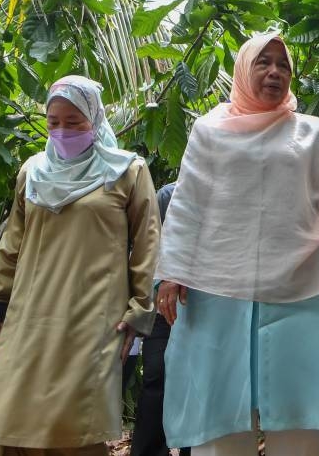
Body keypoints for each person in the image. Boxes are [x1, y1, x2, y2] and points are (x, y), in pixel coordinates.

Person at [154, 33, 319, 456]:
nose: (275, 71)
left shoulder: (312, 133)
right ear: (243, 70)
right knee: (218, 415)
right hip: (217, 290)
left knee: (298, 418)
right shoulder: (209, 131)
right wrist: (170, 273)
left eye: (283, 64)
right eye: (263, 62)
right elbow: (188, 205)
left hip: (299, 289)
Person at [0, 75, 162, 456]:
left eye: (74, 122)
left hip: (90, 315)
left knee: (73, 426)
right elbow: (12, 243)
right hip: (29, 313)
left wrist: (140, 310)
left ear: (94, 119)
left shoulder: (127, 171)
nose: (62, 131)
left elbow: (147, 244)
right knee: (7, 417)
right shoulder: (33, 171)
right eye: (53, 122)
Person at [130, 182, 190, 456]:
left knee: (199, 385)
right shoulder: (168, 195)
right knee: (157, 380)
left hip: (205, 307)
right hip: (164, 307)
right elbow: (148, 246)